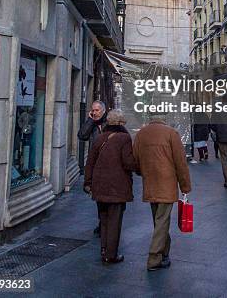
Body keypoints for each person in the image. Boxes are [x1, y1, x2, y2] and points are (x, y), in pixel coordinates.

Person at [133, 115, 191, 271]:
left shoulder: (141, 134)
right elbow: (181, 162)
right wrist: (185, 186)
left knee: (158, 220)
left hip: (150, 182)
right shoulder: (172, 133)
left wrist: (141, 172)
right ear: (164, 119)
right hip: (167, 183)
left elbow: (135, 159)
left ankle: (164, 252)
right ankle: (154, 258)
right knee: (162, 221)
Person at [84, 110, 138, 264]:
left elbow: (90, 162)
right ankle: (111, 254)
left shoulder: (100, 138)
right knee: (115, 220)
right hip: (117, 186)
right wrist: (139, 167)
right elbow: (128, 162)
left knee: (104, 218)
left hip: (99, 185)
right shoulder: (124, 138)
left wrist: (88, 182)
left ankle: (104, 249)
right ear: (121, 123)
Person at [78, 100, 107, 235]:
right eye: (93, 110)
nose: (95, 113)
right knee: (98, 196)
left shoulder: (109, 123)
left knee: (108, 195)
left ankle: (106, 223)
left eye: (97, 110)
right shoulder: (92, 124)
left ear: (103, 111)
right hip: (96, 165)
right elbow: (82, 135)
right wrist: (90, 120)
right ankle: (102, 221)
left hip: (108, 164)